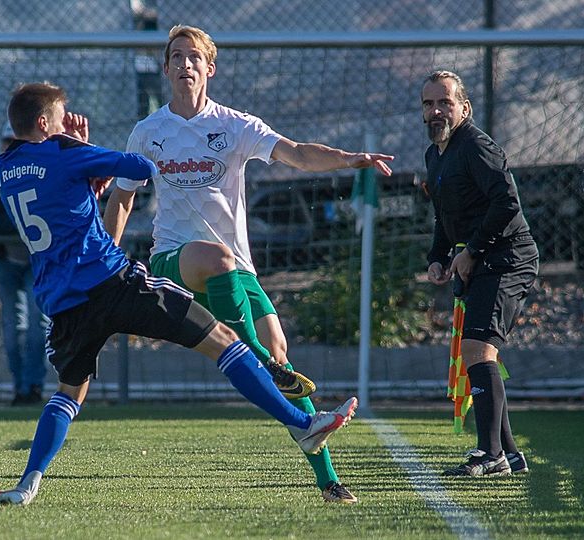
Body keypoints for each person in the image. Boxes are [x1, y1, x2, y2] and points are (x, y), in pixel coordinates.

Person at [0, 82, 357, 506]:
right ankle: (301, 423)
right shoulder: (62, 150)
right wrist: (76, 144)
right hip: (113, 283)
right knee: (224, 341)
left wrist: (79, 161)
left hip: (64, 302)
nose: (62, 128)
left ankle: (27, 485)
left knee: (69, 394)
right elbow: (140, 167)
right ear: (43, 123)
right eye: (57, 122)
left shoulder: (4, 169)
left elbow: (68, 201)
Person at [103, 25, 393, 504]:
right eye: (176, 56)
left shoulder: (236, 126)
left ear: (210, 69)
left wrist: (352, 159)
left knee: (281, 354)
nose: (185, 64)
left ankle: (327, 479)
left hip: (236, 268)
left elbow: (297, 154)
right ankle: (258, 358)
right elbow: (122, 199)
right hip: (174, 259)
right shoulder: (147, 133)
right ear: (166, 68)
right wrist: (109, 261)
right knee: (222, 270)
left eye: (194, 57)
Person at [420, 70, 538, 477]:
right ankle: (510, 454)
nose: (436, 111)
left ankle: (491, 455)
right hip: (482, 261)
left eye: (445, 102)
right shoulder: (435, 154)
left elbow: (507, 204)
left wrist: (471, 251)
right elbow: (444, 216)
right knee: (479, 351)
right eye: (429, 104)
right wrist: (438, 257)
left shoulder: (476, 145)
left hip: (508, 258)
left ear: (464, 108)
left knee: (477, 349)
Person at [0, 121, 48, 406]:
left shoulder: (39, 172)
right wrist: (24, 224)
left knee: (38, 325)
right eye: (7, 142)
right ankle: (20, 386)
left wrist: (26, 225)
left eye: (18, 142)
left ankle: (34, 386)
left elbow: (47, 215)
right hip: (5, 259)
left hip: (36, 259)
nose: (11, 148)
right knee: (12, 327)